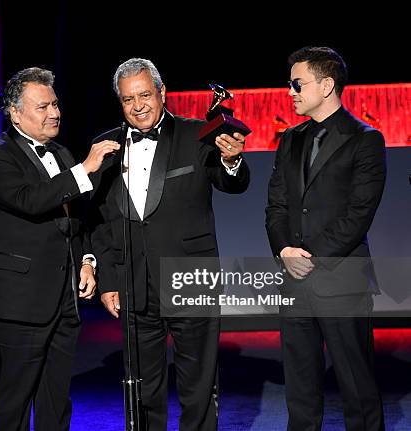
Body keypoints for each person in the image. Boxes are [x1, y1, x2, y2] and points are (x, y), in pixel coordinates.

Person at [89, 58, 250, 430]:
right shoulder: (104, 147)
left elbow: (233, 183)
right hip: (133, 283)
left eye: (145, 95)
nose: (138, 105)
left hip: (191, 278)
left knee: (198, 386)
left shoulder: (198, 134)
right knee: (143, 388)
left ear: (162, 93)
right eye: (128, 99)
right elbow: (102, 220)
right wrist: (110, 280)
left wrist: (232, 161)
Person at [0, 67, 119, 431]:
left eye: (55, 104)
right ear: (15, 113)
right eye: (42, 107)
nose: (54, 112)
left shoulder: (61, 152)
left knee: (56, 399)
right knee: (14, 401)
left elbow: (76, 219)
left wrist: (86, 261)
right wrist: (85, 167)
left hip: (63, 301)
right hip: (19, 302)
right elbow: (30, 200)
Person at [266, 46, 385, 430]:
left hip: (341, 281)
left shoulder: (365, 139)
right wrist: (284, 249)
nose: (291, 92)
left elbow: (358, 214)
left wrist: (309, 256)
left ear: (327, 84)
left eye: (297, 83)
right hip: (293, 284)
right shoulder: (290, 139)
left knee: (357, 387)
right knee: (299, 390)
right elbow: (277, 206)